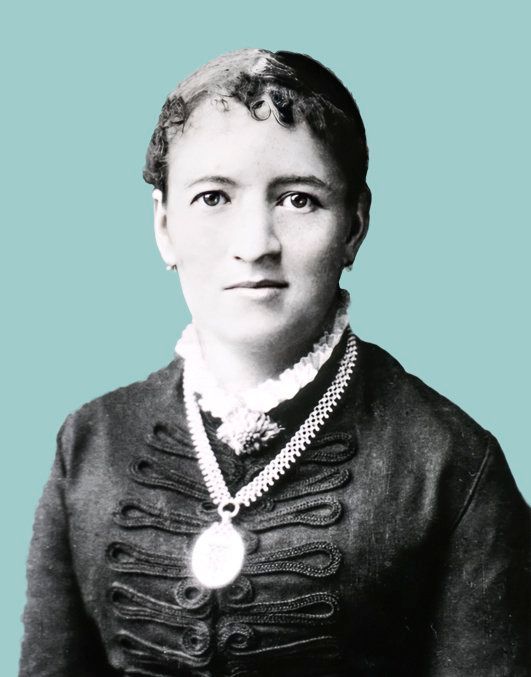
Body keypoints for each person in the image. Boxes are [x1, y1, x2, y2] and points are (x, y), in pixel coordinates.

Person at [20, 48, 530, 677]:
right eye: (213, 198)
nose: (255, 244)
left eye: (298, 200)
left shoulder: (449, 462)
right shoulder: (89, 444)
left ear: (355, 225)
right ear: (164, 226)